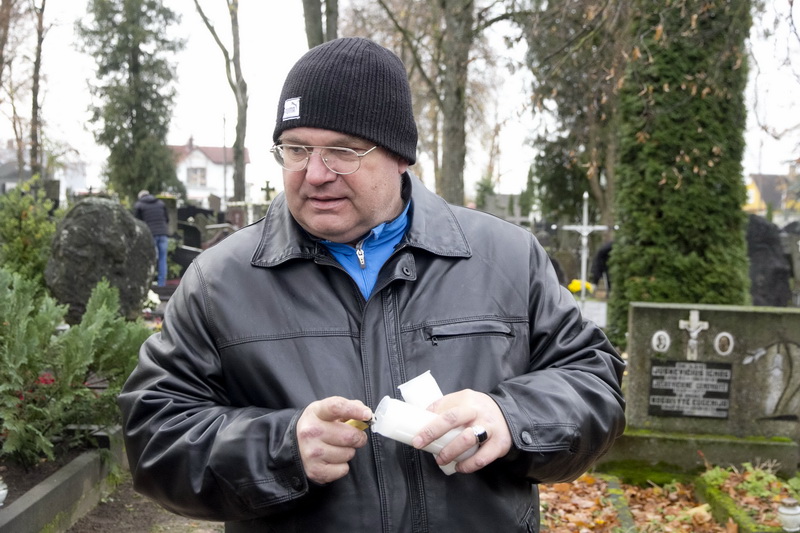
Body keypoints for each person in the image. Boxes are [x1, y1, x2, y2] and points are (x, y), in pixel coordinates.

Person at [118, 37, 626, 532]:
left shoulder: (507, 259)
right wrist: (280, 448)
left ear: (401, 156)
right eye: (296, 149)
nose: (315, 174)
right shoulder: (220, 281)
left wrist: (509, 416)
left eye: (343, 150)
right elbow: (154, 435)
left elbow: (593, 383)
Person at [134, 190, 170, 287]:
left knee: (150, 259)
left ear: (140, 197)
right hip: (163, 233)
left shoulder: (139, 205)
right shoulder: (160, 203)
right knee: (163, 259)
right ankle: (161, 284)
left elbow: (137, 222)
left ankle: (149, 282)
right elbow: (167, 219)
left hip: (150, 235)